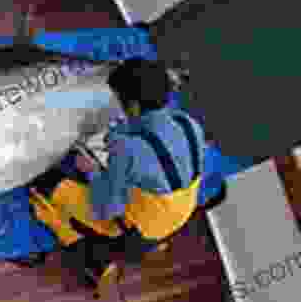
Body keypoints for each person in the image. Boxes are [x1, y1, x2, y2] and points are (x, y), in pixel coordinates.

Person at [26, 57, 206, 284]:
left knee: (43, 183)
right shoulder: (188, 122)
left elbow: (107, 209)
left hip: (134, 234)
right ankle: (149, 243)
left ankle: (92, 256)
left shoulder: (126, 148)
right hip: (179, 215)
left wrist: (92, 172)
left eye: (119, 100)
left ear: (132, 106)